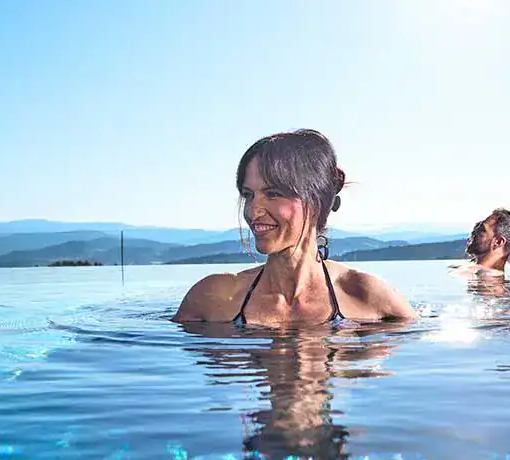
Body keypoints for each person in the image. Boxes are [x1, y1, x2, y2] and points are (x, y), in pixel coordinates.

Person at [173, 129, 416, 325]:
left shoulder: (367, 296)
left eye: (273, 193)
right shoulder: (213, 299)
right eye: (248, 195)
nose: (253, 212)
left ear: (316, 200)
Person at [463, 208, 510, 273]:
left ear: (498, 242)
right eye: (477, 226)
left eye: (482, 230)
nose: (474, 231)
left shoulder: (469, 275)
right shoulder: (471, 272)